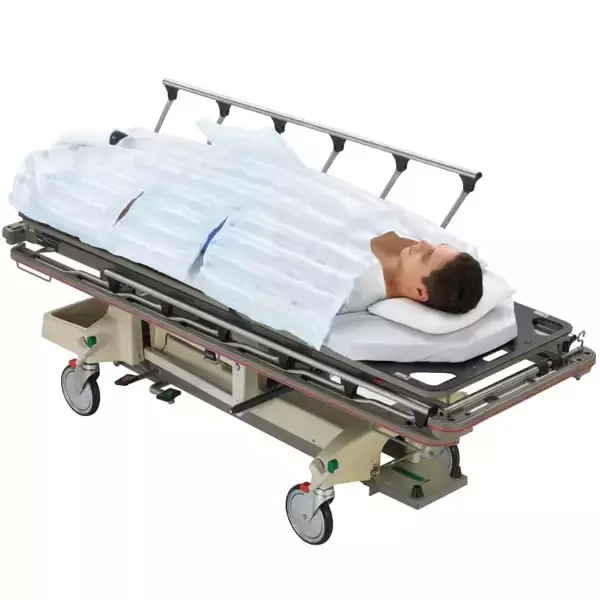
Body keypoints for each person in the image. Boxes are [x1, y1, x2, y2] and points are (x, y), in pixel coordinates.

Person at [340, 230, 483, 314]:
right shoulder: (408, 250)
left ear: (420, 292)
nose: (424, 243)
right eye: (435, 246)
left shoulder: (354, 288)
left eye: (427, 256)